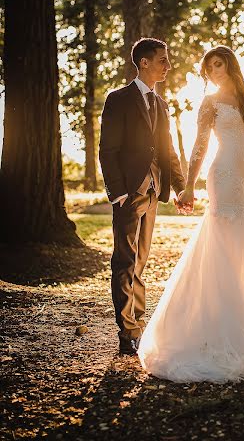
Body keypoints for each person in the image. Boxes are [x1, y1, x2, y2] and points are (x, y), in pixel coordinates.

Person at [138, 45, 244, 382]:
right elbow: (200, 146)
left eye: (219, 64)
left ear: (230, 65)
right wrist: (188, 186)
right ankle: (217, 324)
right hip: (224, 176)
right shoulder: (210, 103)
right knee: (221, 244)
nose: (214, 71)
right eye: (209, 68)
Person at [99, 38, 188, 356]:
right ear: (145, 63)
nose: (168, 65)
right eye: (162, 60)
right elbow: (107, 150)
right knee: (124, 261)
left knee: (140, 262)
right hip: (129, 195)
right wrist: (118, 193)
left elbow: (168, 151)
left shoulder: (161, 104)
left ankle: (136, 323)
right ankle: (128, 332)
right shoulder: (119, 99)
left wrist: (180, 187)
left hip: (153, 194)